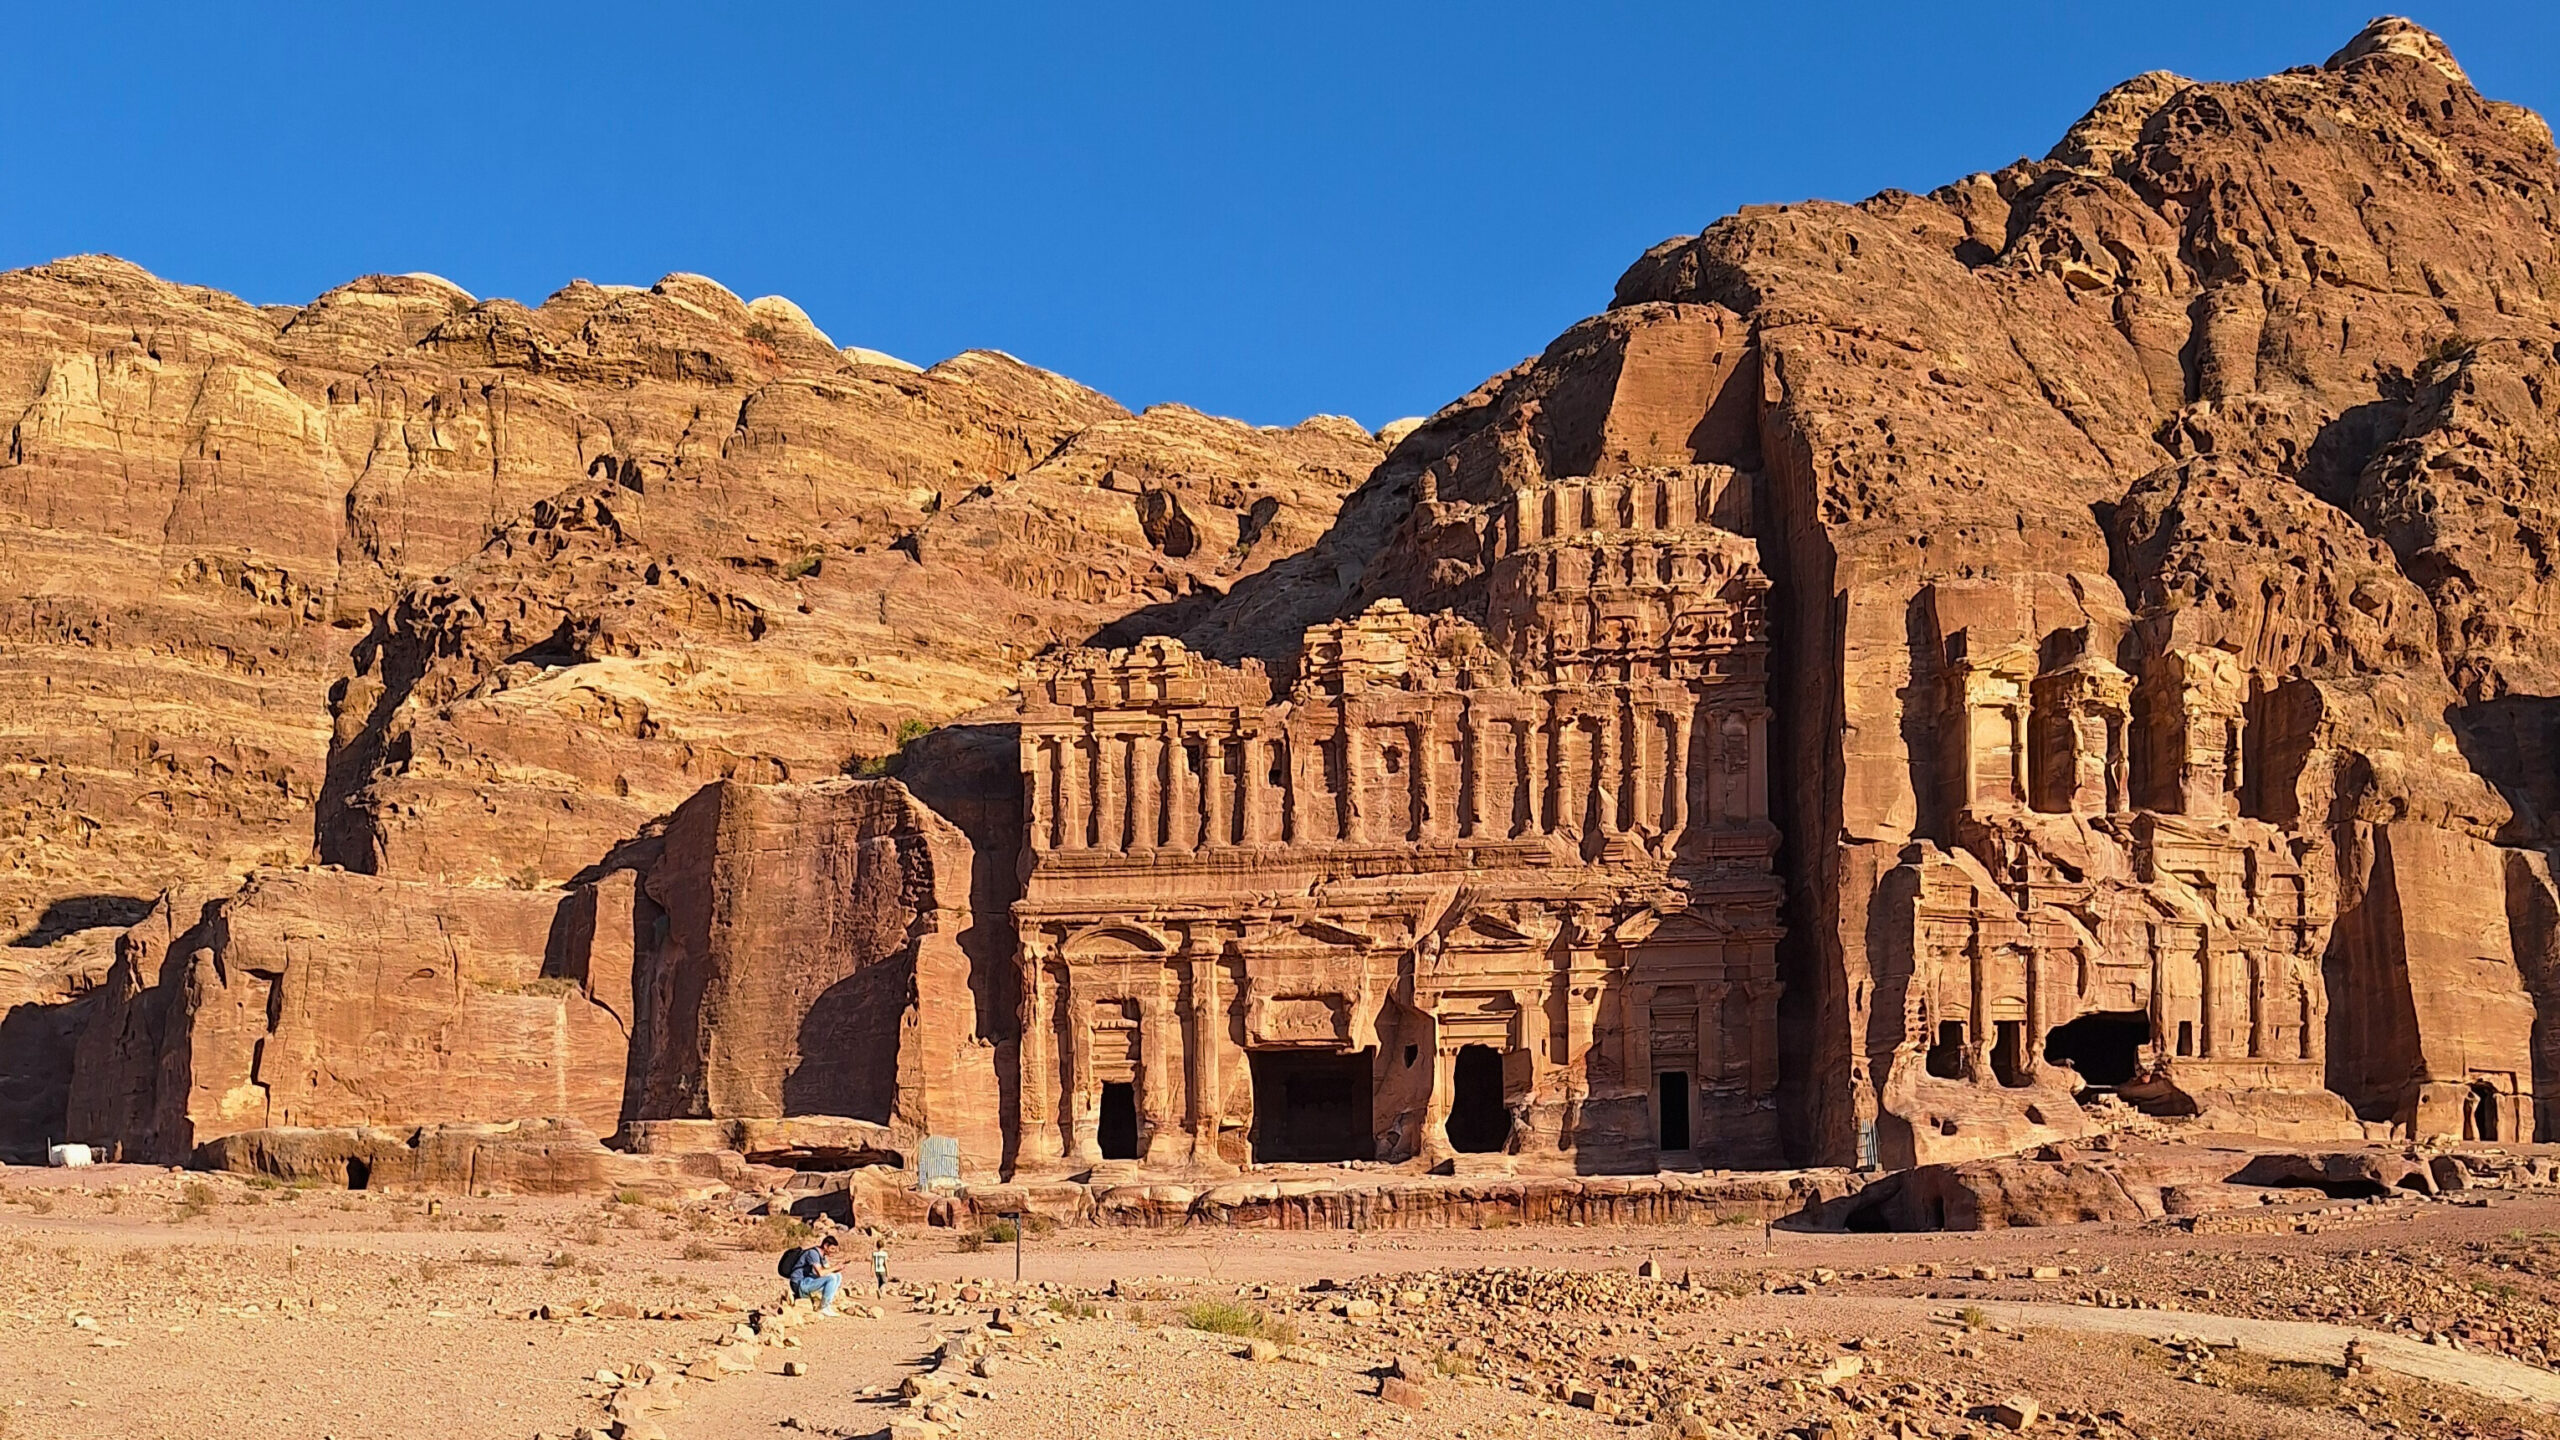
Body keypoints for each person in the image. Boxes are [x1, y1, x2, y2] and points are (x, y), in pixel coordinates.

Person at [785, 1234, 843, 1315]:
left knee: (837, 1276)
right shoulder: (813, 1253)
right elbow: (821, 1273)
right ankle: (823, 1307)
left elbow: (828, 1270)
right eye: (832, 1248)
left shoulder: (822, 1256)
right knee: (831, 1278)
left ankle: (828, 1304)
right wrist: (835, 1267)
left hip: (806, 1281)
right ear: (826, 1246)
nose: (833, 1251)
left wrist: (837, 1269)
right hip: (798, 1284)